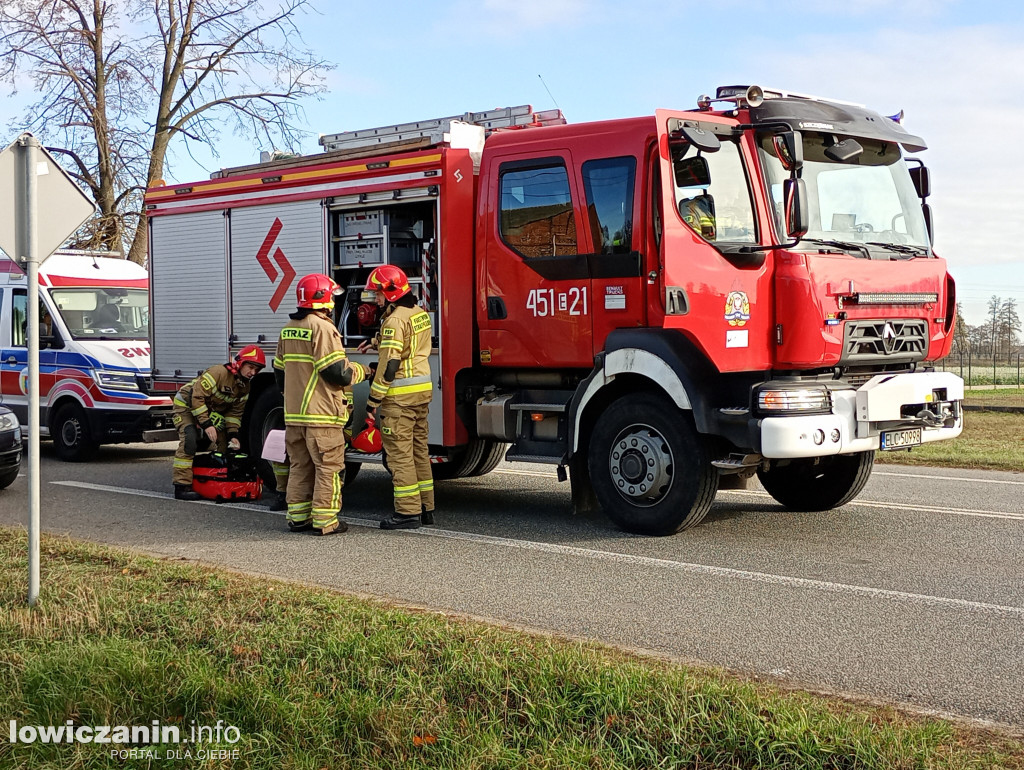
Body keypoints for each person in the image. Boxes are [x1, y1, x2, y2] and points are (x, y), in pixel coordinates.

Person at [274, 273, 367, 535]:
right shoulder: (323, 328)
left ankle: (298, 518)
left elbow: (280, 372)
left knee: (300, 466)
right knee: (329, 469)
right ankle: (326, 521)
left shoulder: (288, 328)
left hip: (294, 417)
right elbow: (337, 373)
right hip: (322, 416)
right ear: (323, 299)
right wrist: (362, 372)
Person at [363, 265, 434, 529]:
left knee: (399, 456)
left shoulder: (393, 320)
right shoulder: (418, 313)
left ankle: (406, 513)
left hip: (399, 398)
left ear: (390, 292)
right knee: (419, 453)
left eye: (378, 293)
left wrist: (373, 400)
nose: (376, 299)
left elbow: (391, 363)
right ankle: (426, 508)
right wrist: (374, 342)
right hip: (421, 394)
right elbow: (408, 343)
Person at [171, 344, 266, 500]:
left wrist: (233, 434)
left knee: (223, 443)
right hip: (186, 406)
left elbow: (234, 413)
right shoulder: (218, 373)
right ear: (240, 363)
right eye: (250, 367)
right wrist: (207, 424)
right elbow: (197, 397)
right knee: (190, 440)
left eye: (257, 370)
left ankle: (216, 479)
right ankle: (182, 486)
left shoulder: (245, 387)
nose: (253, 372)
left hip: (206, 410)